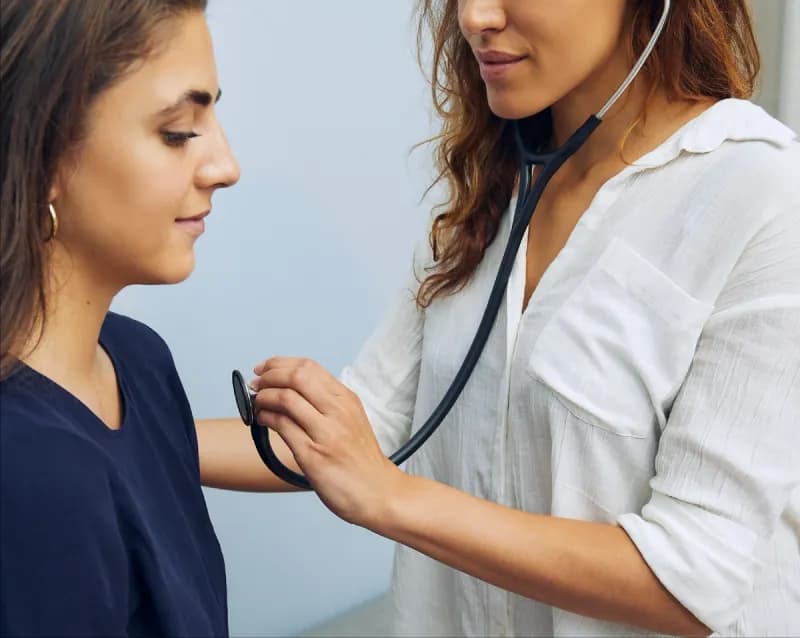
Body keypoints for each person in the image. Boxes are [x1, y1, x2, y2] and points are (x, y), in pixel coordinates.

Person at [211, 0, 800, 636]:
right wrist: (109, 430)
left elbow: (692, 579)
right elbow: (372, 424)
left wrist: (391, 498)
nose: (474, 18)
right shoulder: (494, 185)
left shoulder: (763, 197)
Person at [0, 0, 240, 634]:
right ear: (45, 152)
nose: (225, 167)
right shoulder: (26, 467)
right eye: (178, 131)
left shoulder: (140, 361)